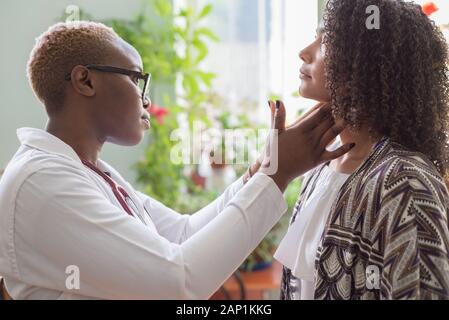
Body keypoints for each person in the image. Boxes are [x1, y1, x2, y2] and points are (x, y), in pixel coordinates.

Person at [0, 21, 353, 299]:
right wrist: (276, 177)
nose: (147, 101)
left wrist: (259, 173)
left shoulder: (88, 172)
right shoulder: (43, 184)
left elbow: (183, 234)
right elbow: (178, 281)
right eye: (138, 79)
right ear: (85, 80)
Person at [274, 0, 449, 300]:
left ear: (367, 63)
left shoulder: (405, 184)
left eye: (326, 39)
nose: (305, 51)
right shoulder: (320, 167)